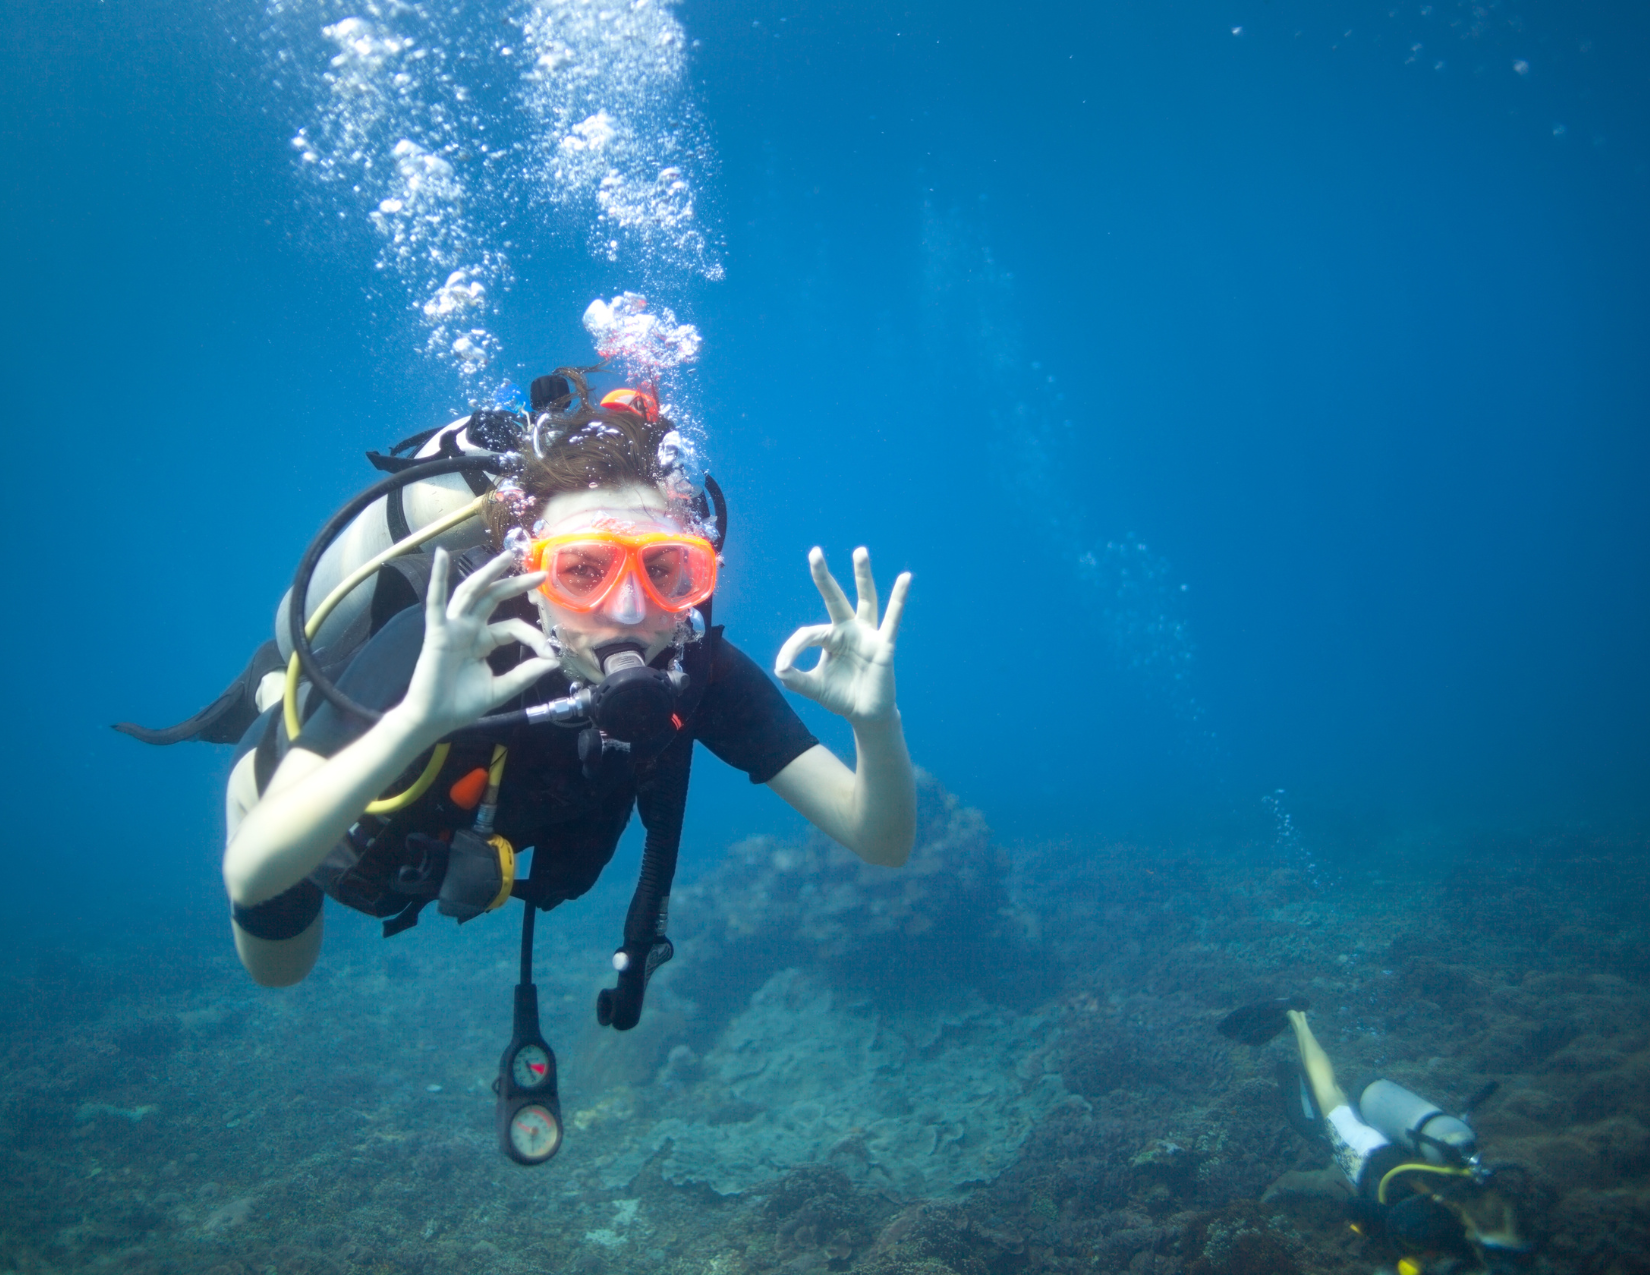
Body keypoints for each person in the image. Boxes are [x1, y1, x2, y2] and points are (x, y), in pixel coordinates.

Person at [221, 371, 915, 991]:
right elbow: (254, 871)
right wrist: (415, 719)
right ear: (529, 570)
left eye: (666, 569)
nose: (628, 607)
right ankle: (271, 692)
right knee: (282, 971)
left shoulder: (698, 671)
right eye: (583, 569)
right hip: (304, 821)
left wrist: (875, 725)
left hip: (443, 844)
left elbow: (881, 841)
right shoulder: (444, 648)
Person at [1218, 998, 1529, 1275]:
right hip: (1368, 1155)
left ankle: (1298, 1020)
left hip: (1401, 1155)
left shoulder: (1469, 1216)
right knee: (1327, 1090)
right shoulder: (1422, 1229)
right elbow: (1357, 1212)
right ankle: (1296, 1017)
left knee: (1333, 1096)